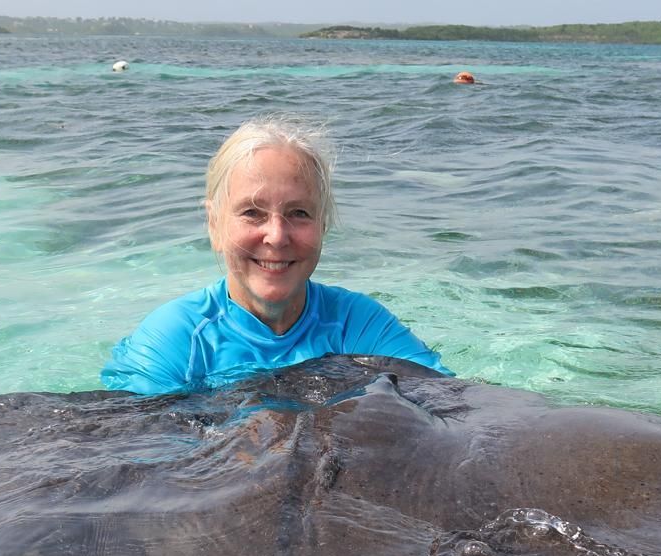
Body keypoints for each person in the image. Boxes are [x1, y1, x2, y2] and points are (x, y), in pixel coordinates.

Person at [101, 117, 450, 395]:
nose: (277, 236)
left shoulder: (357, 324)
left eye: (299, 213)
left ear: (323, 225)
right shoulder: (175, 340)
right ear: (214, 225)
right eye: (252, 212)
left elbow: (452, 403)